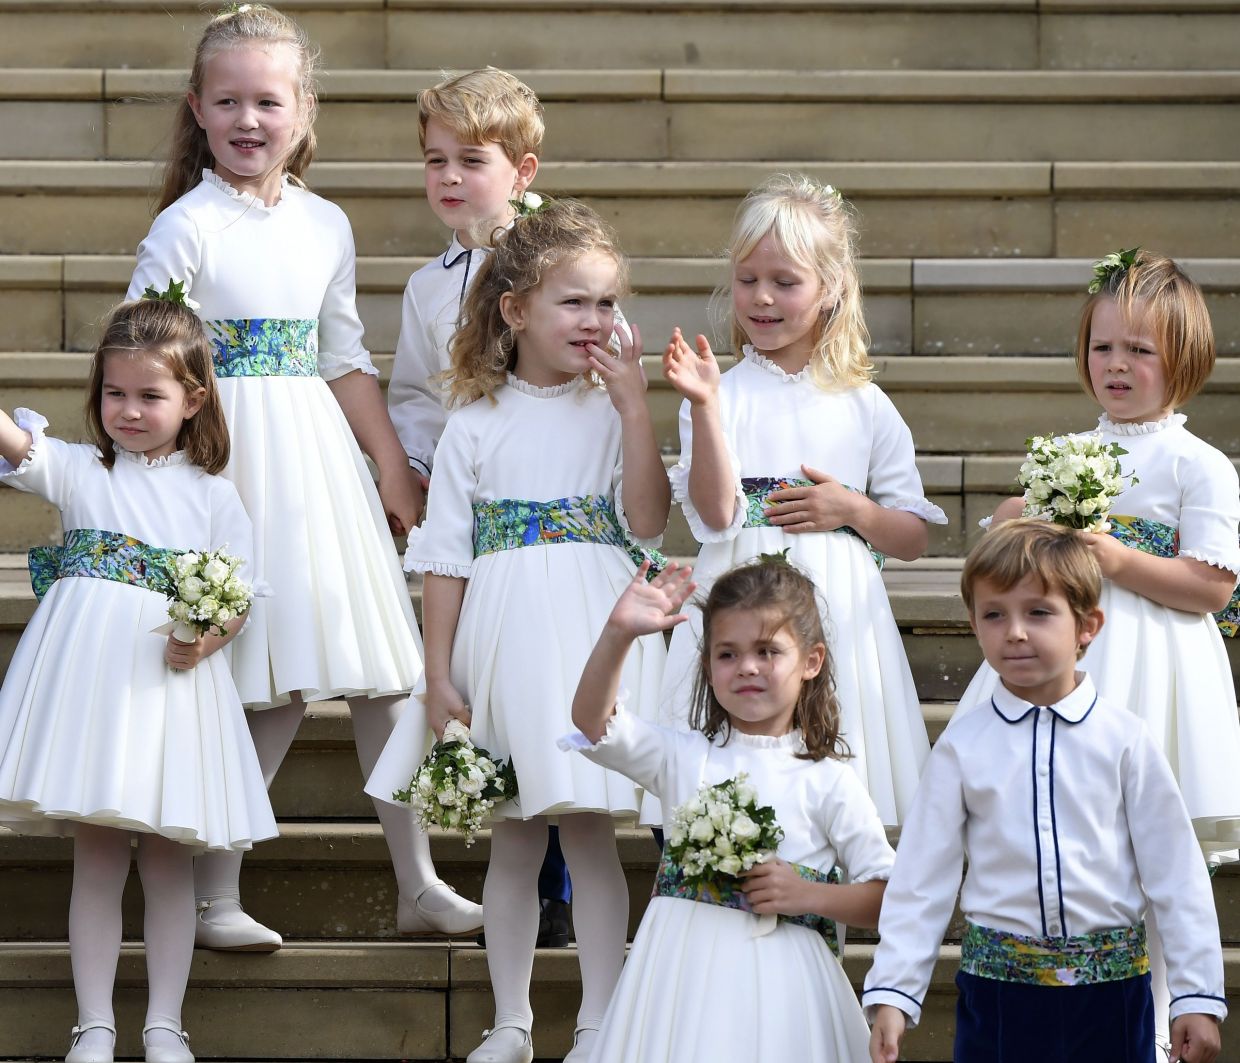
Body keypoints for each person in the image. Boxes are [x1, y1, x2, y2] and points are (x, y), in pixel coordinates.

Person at [126, 2, 479, 952]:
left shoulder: (326, 223)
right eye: (228, 101)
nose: (249, 120)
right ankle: (215, 892)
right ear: (198, 109)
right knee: (271, 682)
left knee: (386, 675)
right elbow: (144, 362)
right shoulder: (186, 228)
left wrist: (392, 467)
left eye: (268, 101)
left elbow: (343, 357)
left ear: (304, 109)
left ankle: (418, 882)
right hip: (231, 465)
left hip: (320, 467)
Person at [368, 199, 669, 1063]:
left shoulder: (612, 410)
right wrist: (437, 673)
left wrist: (637, 410)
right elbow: (445, 559)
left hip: (591, 631)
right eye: (573, 302)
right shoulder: (474, 421)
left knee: (590, 830)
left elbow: (649, 521)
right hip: (504, 639)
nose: (594, 320)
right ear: (516, 310)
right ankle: (511, 1019)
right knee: (513, 835)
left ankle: (600, 1018)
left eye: (607, 303)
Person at [953, 249, 1240, 1044]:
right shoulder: (1068, 450)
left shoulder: (1197, 465)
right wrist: (1020, 515)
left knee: (1154, 850)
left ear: (1183, 359)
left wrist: (1113, 558)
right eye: (1102, 346)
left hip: (1157, 669)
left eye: (1139, 350)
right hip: (1069, 661)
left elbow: (1213, 585)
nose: (1116, 364)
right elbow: (1010, 541)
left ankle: (1161, 1027)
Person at [0, 296, 277, 1063]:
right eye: (114, 392)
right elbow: (16, 442)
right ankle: (93, 1023)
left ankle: (164, 1022)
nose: (128, 410)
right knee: (96, 855)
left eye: (149, 395)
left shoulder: (214, 495)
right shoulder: (82, 470)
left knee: (165, 860)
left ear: (193, 399)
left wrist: (208, 638)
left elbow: (240, 596)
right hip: (92, 691)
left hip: (169, 694)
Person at [865, 520, 1226, 1063]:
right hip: (998, 1001)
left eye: (1038, 612)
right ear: (973, 624)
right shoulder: (962, 747)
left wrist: (1195, 995)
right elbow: (920, 880)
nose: (1014, 631)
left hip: (1111, 1000)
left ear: (1087, 625)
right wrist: (895, 991)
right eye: (994, 615)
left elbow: (1177, 874)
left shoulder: (1125, 740)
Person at [659, 172, 944, 828]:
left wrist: (854, 511)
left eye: (784, 281)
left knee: (836, 786)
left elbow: (912, 536)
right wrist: (704, 409)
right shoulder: (717, 393)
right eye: (747, 279)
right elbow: (715, 517)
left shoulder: (865, 403)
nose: (762, 297)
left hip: (837, 610)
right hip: (737, 598)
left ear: (830, 288)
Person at [564, 557, 894, 1061]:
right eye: (727, 654)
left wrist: (807, 894)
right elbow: (592, 722)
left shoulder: (829, 781)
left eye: (768, 651)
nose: (747, 667)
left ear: (811, 661)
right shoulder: (680, 756)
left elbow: (889, 897)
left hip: (784, 992)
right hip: (678, 986)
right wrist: (618, 635)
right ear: (707, 666)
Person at [385, 65, 570, 946]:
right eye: (436, 161)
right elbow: (417, 397)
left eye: (472, 160)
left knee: (560, 692)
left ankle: (580, 879)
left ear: (522, 171)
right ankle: (532, 883)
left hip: (552, 510)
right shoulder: (428, 288)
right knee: (502, 696)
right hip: (475, 518)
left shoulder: (561, 262)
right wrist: (417, 468)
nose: (450, 177)